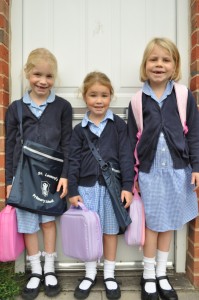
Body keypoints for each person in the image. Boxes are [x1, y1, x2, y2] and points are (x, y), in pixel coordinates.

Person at [127, 37, 199, 300]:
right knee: (152, 224)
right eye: (153, 59)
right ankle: (147, 275)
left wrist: (196, 167)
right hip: (149, 172)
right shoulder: (137, 101)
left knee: (168, 223)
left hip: (177, 170)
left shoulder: (182, 96)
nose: (159, 64)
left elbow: (193, 134)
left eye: (165, 60)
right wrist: (132, 176)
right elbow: (130, 142)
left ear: (175, 65)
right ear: (145, 65)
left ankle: (161, 273)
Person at [5, 48, 72, 299]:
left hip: (51, 177)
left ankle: (50, 269)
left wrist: (65, 175)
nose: (43, 81)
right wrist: (10, 180)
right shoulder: (16, 109)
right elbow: (10, 145)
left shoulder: (62, 107)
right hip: (23, 177)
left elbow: (67, 143)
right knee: (28, 224)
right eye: (37, 74)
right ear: (27, 73)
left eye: (49, 76)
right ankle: (35, 270)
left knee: (47, 222)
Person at [68, 71, 134, 299]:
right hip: (86, 190)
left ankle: (109, 274)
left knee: (109, 231)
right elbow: (73, 160)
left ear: (111, 96)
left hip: (111, 190)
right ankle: (88, 274)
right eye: (93, 95)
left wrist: (127, 185)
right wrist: (73, 190)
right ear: (85, 97)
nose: (99, 100)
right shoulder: (79, 130)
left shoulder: (118, 126)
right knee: (88, 232)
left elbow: (126, 156)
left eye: (104, 95)